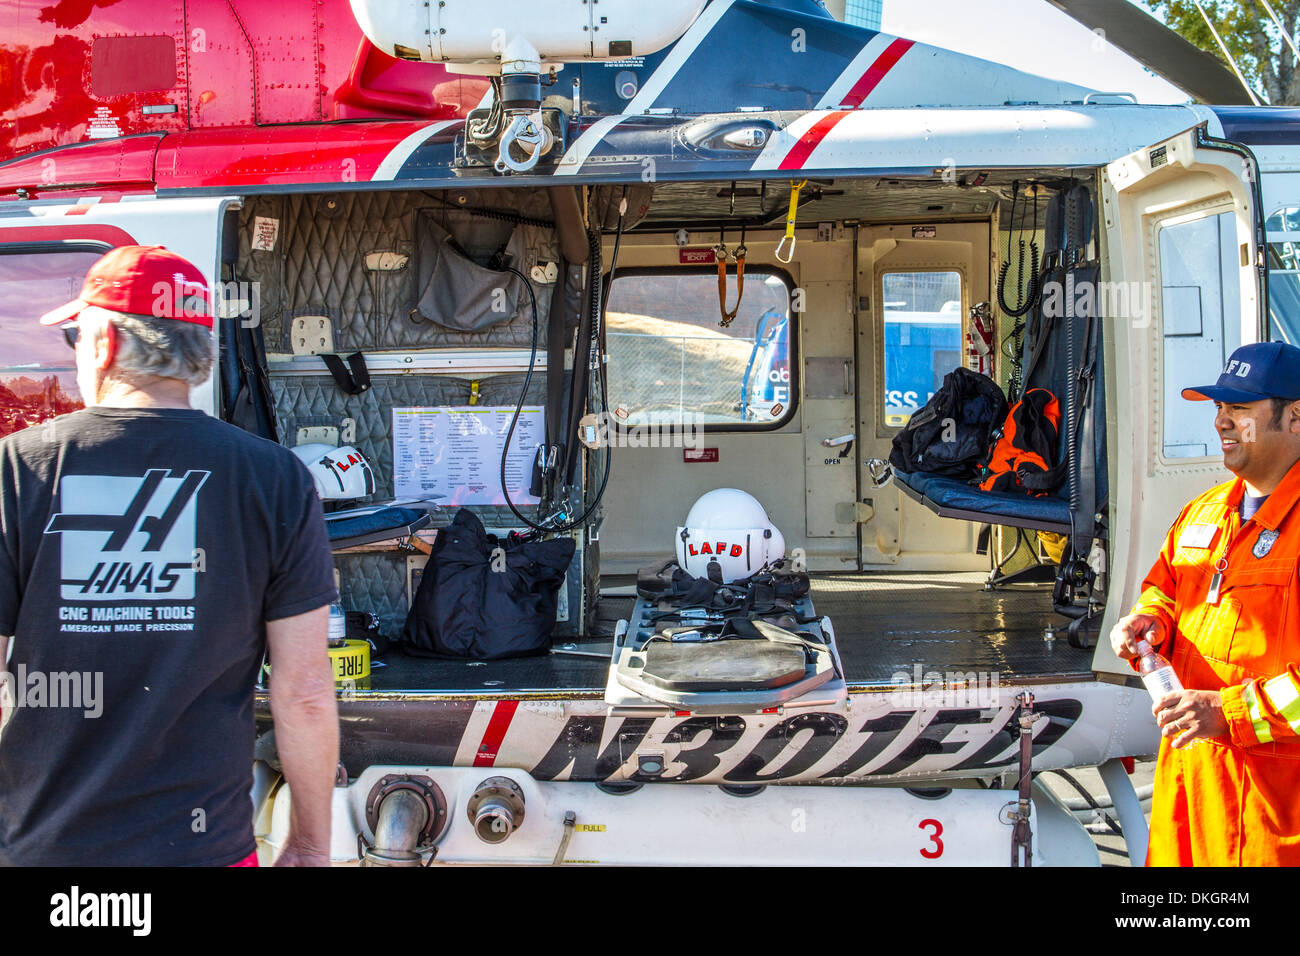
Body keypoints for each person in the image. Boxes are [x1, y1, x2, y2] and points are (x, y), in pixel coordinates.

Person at [0, 245, 339, 866]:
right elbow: (306, 691)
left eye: (76, 336)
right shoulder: (275, 479)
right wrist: (311, 846)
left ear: (102, 345)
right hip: (205, 851)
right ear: (198, 355)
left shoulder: (18, 470)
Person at [1110, 341, 1300, 866]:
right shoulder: (1204, 513)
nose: (1221, 421)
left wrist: (1229, 712)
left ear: (1295, 417)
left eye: (1239, 408)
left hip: (1274, 824)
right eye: (1218, 408)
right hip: (1190, 807)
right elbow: (1165, 588)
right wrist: (1151, 620)